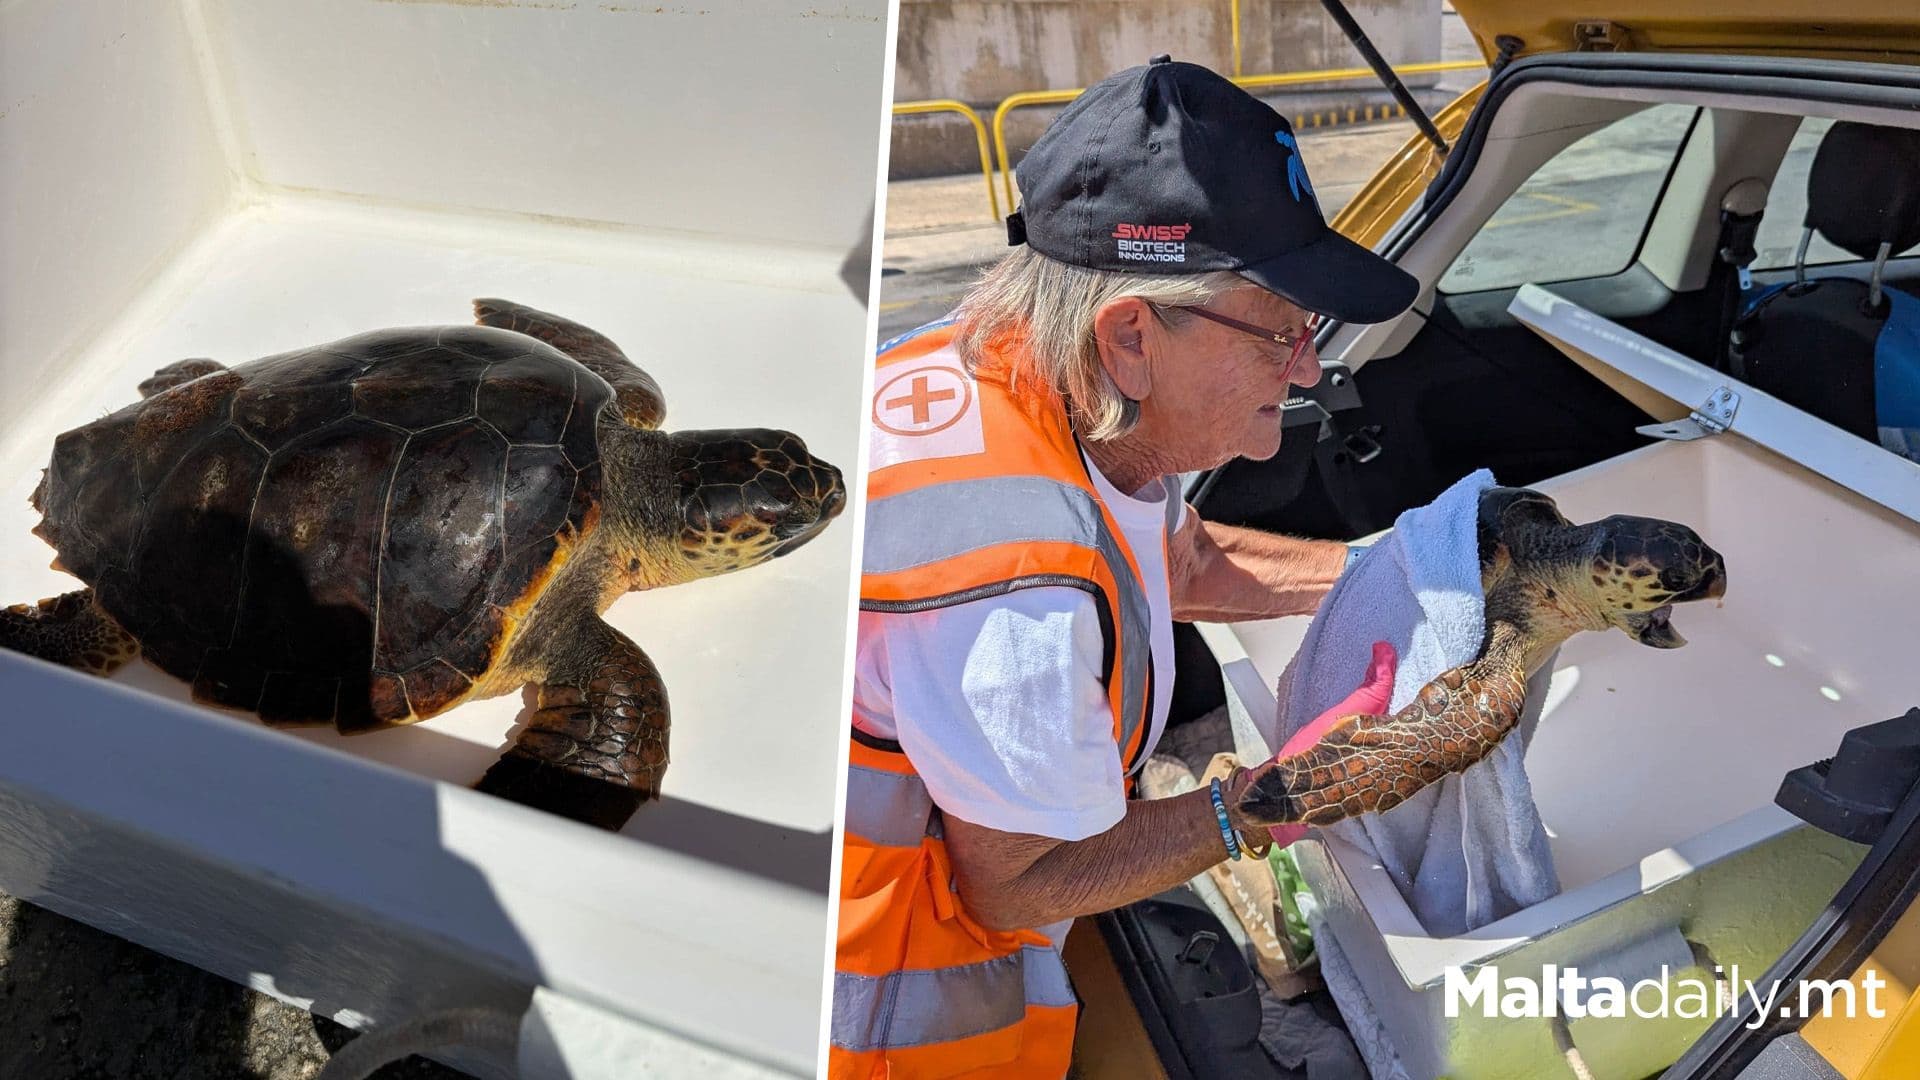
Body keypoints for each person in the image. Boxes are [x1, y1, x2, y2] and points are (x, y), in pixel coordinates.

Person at [831, 56, 1419, 1079]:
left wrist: (1401, 572)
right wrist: (1280, 797)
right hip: (888, 1019)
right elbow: (1016, 885)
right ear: (1132, 336)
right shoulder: (1017, 596)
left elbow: (1173, 560)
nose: (1311, 368)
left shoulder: (1025, 380)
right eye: (1282, 331)